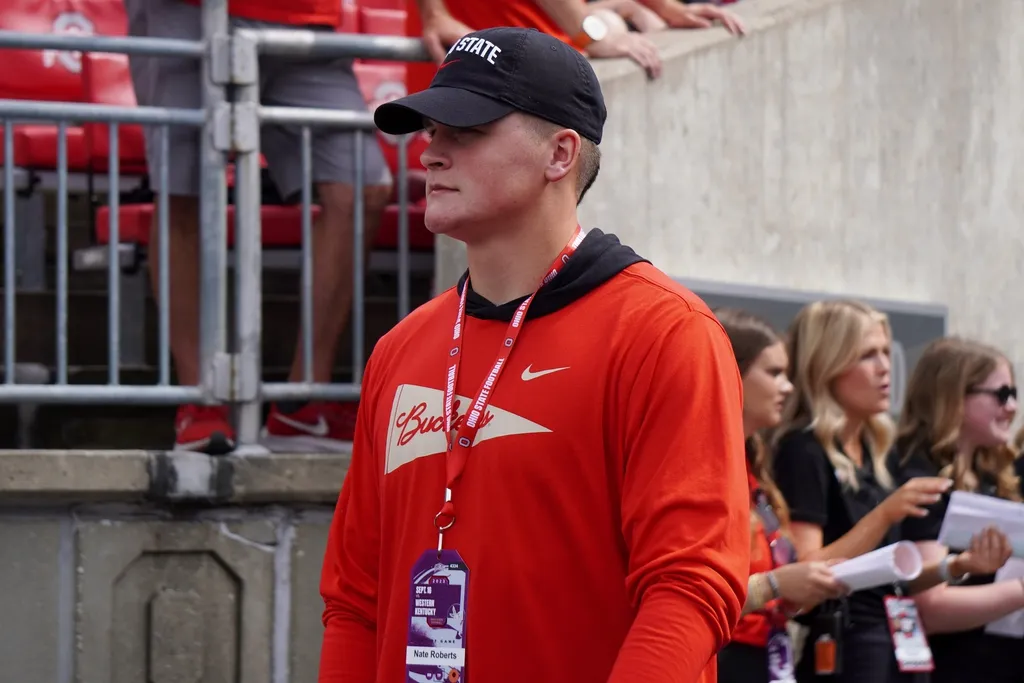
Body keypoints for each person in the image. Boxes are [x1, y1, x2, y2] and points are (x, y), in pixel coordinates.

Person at [318, 26, 750, 683]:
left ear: (559, 154)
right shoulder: (400, 349)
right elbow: (355, 598)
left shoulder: (665, 333)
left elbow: (691, 584)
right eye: (430, 131)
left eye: (465, 131)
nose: (431, 153)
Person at [124, 0, 391, 454]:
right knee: (184, 191)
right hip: (192, 11)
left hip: (304, 15)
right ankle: (199, 400)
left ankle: (303, 404)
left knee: (363, 189)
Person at [770, 300, 954, 683]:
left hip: (899, 638)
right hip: (848, 643)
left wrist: (959, 567)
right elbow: (806, 570)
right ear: (827, 365)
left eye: (886, 352)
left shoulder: (877, 447)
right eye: (868, 355)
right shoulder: (803, 450)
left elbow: (892, 575)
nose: (885, 367)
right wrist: (884, 514)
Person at [715, 309, 849, 683]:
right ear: (732, 373)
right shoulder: (704, 465)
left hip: (767, 654)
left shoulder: (753, 464)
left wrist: (795, 589)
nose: (788, 387)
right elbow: (686, 591)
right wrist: (775, 585)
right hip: (723, 656)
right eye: (774, 373)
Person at [889, 337, 1020, 683]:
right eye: (1001, 394)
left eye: (1014, 394)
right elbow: (931, 607)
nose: (1012, 407)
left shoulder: (994, 477)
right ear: (953, 396)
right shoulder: (918, 476)